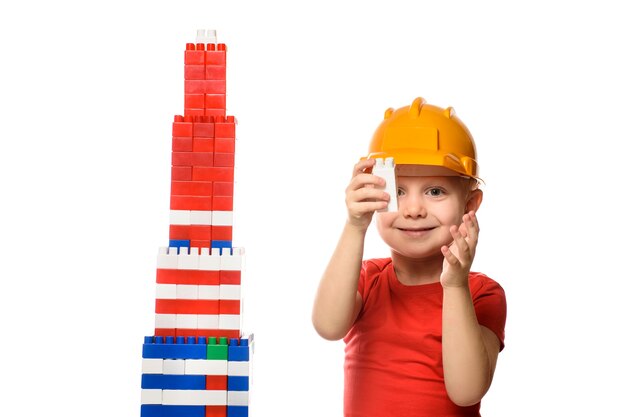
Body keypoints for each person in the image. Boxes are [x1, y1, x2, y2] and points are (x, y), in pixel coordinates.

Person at [312, 97, 507, 417]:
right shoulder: (366, 279)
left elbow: (467, 391)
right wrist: (355, 225)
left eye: (435, 191)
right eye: (398, 191)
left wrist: (455, 286)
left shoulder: (482, 294)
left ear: (470, 204)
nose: (414, 210)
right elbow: (327, 326)